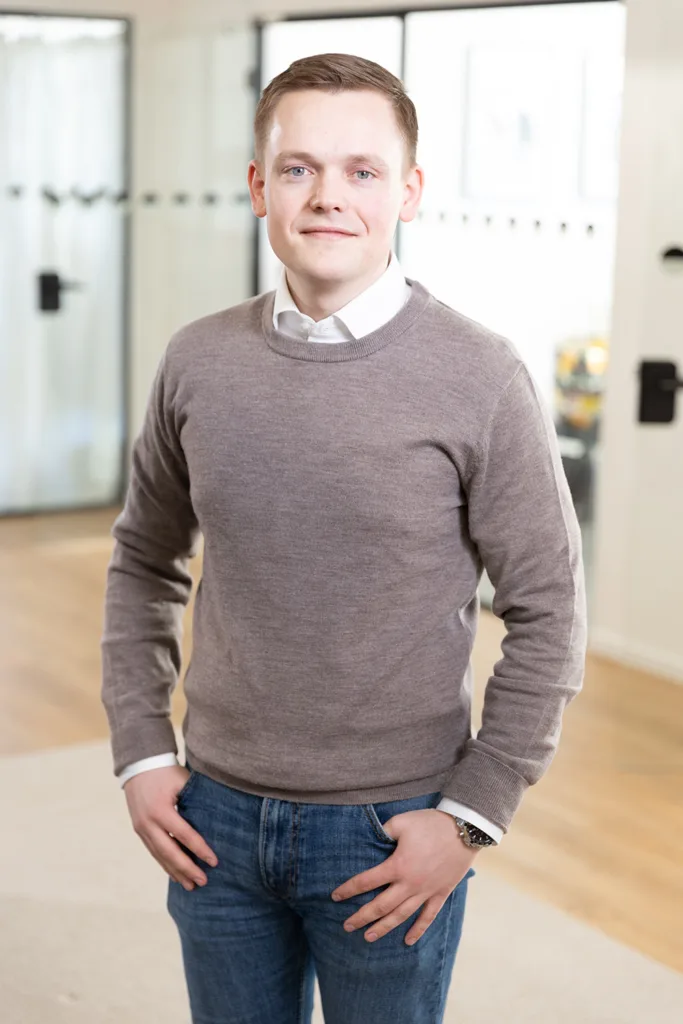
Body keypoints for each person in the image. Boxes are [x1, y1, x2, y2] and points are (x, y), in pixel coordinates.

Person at [101, 52, 587, 1024]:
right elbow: (144, 559)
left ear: (406, 191)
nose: (327, 196)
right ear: (258, 188)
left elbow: (549, 609)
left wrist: (469, 817)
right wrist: (143, 749)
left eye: (361, 170)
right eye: (297, 168)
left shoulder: (479, 375)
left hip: (388, 828)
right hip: (214, 816)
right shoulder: (197, 359)